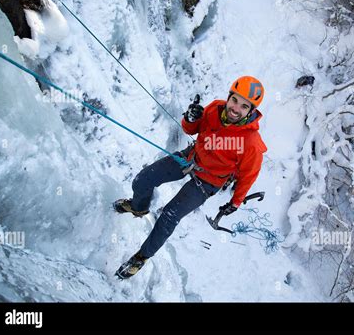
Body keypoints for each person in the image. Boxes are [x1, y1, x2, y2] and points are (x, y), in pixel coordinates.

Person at [114, 76, 267, 279]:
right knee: (142, 180)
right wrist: (191, 118)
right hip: (191, 158)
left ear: (251, 111)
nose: (235, 108)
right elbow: (189, 129)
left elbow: (249, 175)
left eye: (244, 106)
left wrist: (235, 201)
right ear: (229, 97)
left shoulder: (251, 144)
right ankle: (138, 207)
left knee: (169, 215)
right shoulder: (215, 109)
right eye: (235, 100)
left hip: (208, 182)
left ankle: (140, 257)